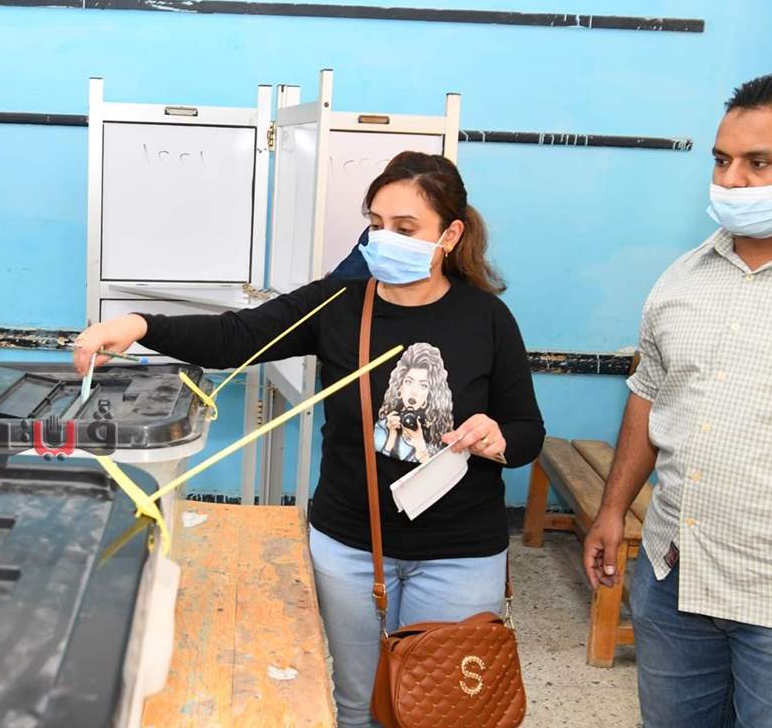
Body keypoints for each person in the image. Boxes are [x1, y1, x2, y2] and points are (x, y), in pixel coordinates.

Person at [75, 151, 545, 727]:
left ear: (450, 235)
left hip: (460, 554)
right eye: (376, 224)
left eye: (405, 229)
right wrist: (141, 325)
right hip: (351, 547)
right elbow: (235, 337)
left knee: (441, 714)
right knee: (357, 705)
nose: (385, 239)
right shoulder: (338, 304)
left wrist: (497, 438)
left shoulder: (487, 319)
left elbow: (528, 433)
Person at [582, 73, 772, 728]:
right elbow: (648, 396)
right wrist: (612, 509)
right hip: (673, 573)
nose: (731, 180)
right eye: (721, 160)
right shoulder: (681, 278)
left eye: (758, 162)